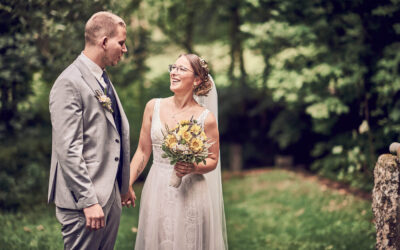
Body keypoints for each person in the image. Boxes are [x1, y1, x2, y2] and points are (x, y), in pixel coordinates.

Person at [125, 54, 228, 249]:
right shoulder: (153, 106)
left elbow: (213, 159)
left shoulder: (206, 118)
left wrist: (193, 166)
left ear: (196, 80)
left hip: (191, 191)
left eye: (182, 69)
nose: (173, 72)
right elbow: (142, 151)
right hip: (157, 187)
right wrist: (128, 182)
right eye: (173, 67)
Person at [48, 11, 131, 249]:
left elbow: (110, 135)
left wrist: (122, 187)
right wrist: (88, 201)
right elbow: (68, 148)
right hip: (84, 201)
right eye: (121, 43)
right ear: (104, 42)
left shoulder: (102, 78)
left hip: (109, 196)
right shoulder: (69, 82)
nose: (124, 49)